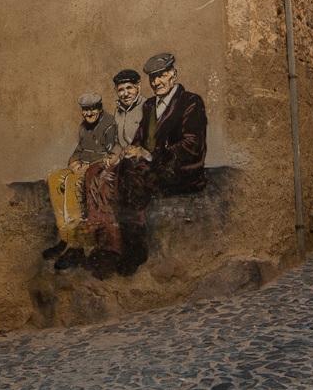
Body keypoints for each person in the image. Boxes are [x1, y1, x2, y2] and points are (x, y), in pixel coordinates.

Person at [115, 53, 207, 274]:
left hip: (182, 170)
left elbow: (192, 146)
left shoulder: (191, 102)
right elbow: (140, 139)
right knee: (124, 169)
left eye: (162, 75)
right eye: (152, 78)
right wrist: (132, 151)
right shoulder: (149, 106)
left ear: (173, 75)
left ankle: (135, 249)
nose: (156, 82)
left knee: (136, 176)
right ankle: (121, 245)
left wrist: (150, 155)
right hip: (156, 167)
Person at [44, 92, 116, 271]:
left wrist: (88, 165)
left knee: (73, 182)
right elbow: (79, 149)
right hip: (82, 167)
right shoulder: (83, 127)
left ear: (99, 108)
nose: (89, 113)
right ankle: (65, 237)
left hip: (98, 170)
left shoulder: (109, 124)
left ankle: (75, 244)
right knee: (54, 179)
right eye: (85, 110)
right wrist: (74, 161)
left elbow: (111, 153)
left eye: (92, 109)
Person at [83, 70, 145, 276]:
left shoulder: (147, 108)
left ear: (138, 87)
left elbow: (150, 140)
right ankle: (103, 239)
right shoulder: (119, 112)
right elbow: (119, 143)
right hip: (123, 159)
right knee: (93, 172)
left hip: (140, 161)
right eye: (121, 90)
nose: (125, 93)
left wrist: (137, 152)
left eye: (129, 88)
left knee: (108, 179)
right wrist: (112, 155)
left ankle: (117, 244)